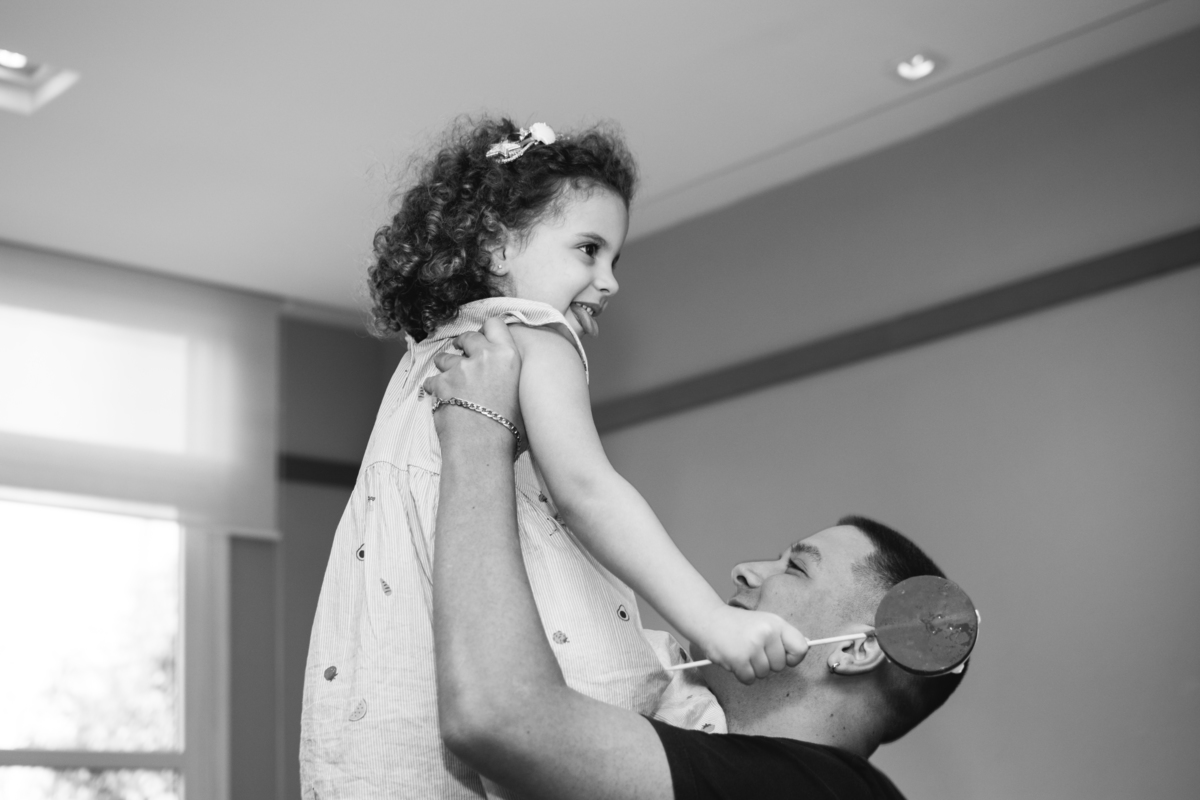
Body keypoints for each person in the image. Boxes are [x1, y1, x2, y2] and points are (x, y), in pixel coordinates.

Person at [300, 118, 804, 800]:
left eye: (614, 260)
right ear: (501, 244)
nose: (609, 280)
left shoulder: (433, 354)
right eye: (589, 249)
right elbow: (588, 490)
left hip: (404, 656)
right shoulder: (538, 335)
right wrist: (712, 620)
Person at [424, 319, 969, 799]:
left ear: (856, 648)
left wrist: (475, 426)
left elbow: (498, 718)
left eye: (796, 567)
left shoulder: (821, 788)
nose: (746, 570)